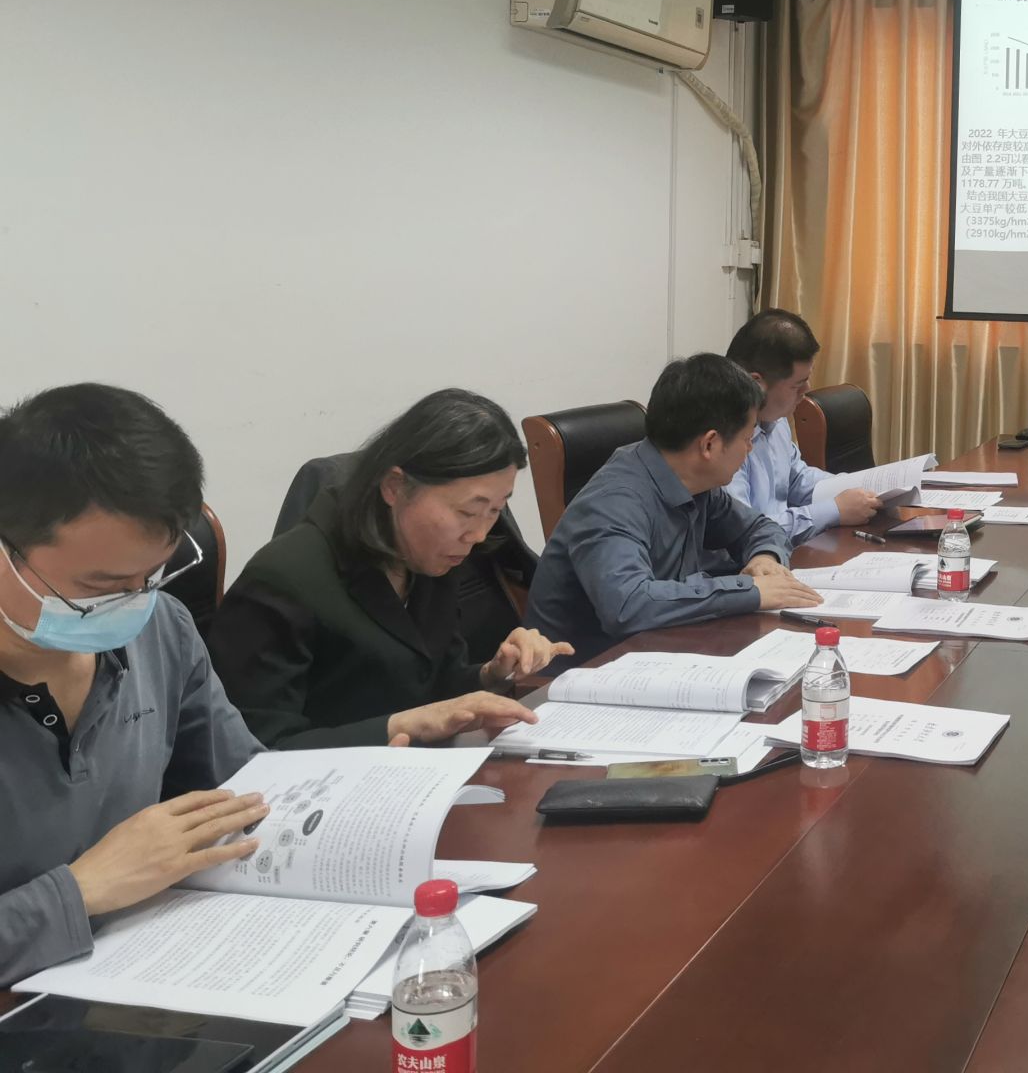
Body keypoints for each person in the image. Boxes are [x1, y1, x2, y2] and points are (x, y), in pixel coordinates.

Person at [0, 384, 272, 982]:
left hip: (156, 972)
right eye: (99, 588)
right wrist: (80, 891)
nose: (132, 605)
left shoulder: (161, 630)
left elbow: (243, 792)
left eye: (151, 576)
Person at [207, 390, 565, 749]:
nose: (479, 534)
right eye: (467, 512)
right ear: (395, 487)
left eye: (495, 510)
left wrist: (493, 674)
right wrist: (399, 726)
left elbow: (436, 684)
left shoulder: (430, 555)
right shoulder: (281, 581)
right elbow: (255, 749)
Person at [524, 354, 822, 660]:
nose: (750, 449)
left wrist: (764, 558)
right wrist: (751, 591)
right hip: (589, 670)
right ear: (709, 444)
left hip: (663, 650)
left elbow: (759, 527)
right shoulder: (614, 502)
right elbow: (628, 606)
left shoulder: (697, 484)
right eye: (747, 439)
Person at [723, 308, 878, 546]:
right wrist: (834, 510)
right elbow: (745, 531)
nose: (807, 391)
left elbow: (796, 478)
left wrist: (862, 487)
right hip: (753, 558)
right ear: (756, 384)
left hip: (783, 550)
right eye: (798, 385)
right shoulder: (723, 438)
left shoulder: (775, 419)